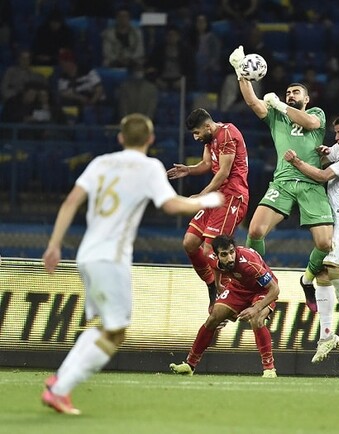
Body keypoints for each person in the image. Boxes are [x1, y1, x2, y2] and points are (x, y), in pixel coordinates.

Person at [41, 113, 224, 415]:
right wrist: (206, 201)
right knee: (116, 332)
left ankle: (59, 380)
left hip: (86, 255)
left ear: (120, 138)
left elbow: (71, 201)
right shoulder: (149, 167)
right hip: (111, 259)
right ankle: (60, 389)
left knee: (106, 327)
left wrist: (54, 245)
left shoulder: (100, 162)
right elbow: (170, 205)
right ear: (150, 139)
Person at [229, 45, 334, 312]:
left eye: (295, 92)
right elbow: (253, 102)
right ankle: (257, 281)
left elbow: (309, 124)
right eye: (288, 93)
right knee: (255, 231)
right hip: (283, 183)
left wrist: (279, 104)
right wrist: (241, 72)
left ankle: (307, 279)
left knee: (325, 243)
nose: (290, 95)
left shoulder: (317, 114)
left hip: (311, 183)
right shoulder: (277, 117)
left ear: (306, 99)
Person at [283, 113, 339, 363]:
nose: (337, 138)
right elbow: (325, 155)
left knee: (334, 270)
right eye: (335, 133)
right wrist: (323, 151)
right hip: (335, 218)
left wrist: (296, 161)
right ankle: (326, 335)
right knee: (324, 275)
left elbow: (322, 176)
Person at [166, 108, 249, 320]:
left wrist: (202, 196)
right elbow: (206, 164)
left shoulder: (227, 133)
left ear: (207, 126)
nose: (196, 137)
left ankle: (231, 294)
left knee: (211, 248)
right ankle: (213, 285)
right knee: (190, 242)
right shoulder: (209, 138)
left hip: (232, 197)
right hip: (217, 195)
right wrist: (189, 169)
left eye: (197, 133)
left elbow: (223, 172)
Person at [169, 234, 280, 377]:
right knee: (213, 318)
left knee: (257, 319)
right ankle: (190, 365)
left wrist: (256, 308)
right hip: (238, 288)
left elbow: (274, 289)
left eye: (232, 252)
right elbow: (215, 267)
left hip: (262, 290)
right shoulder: (212, 258)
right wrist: (218, 284)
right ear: (217, 255)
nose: (230, 258)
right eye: (224, 254)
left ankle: (269, 369)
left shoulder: (249, 263)